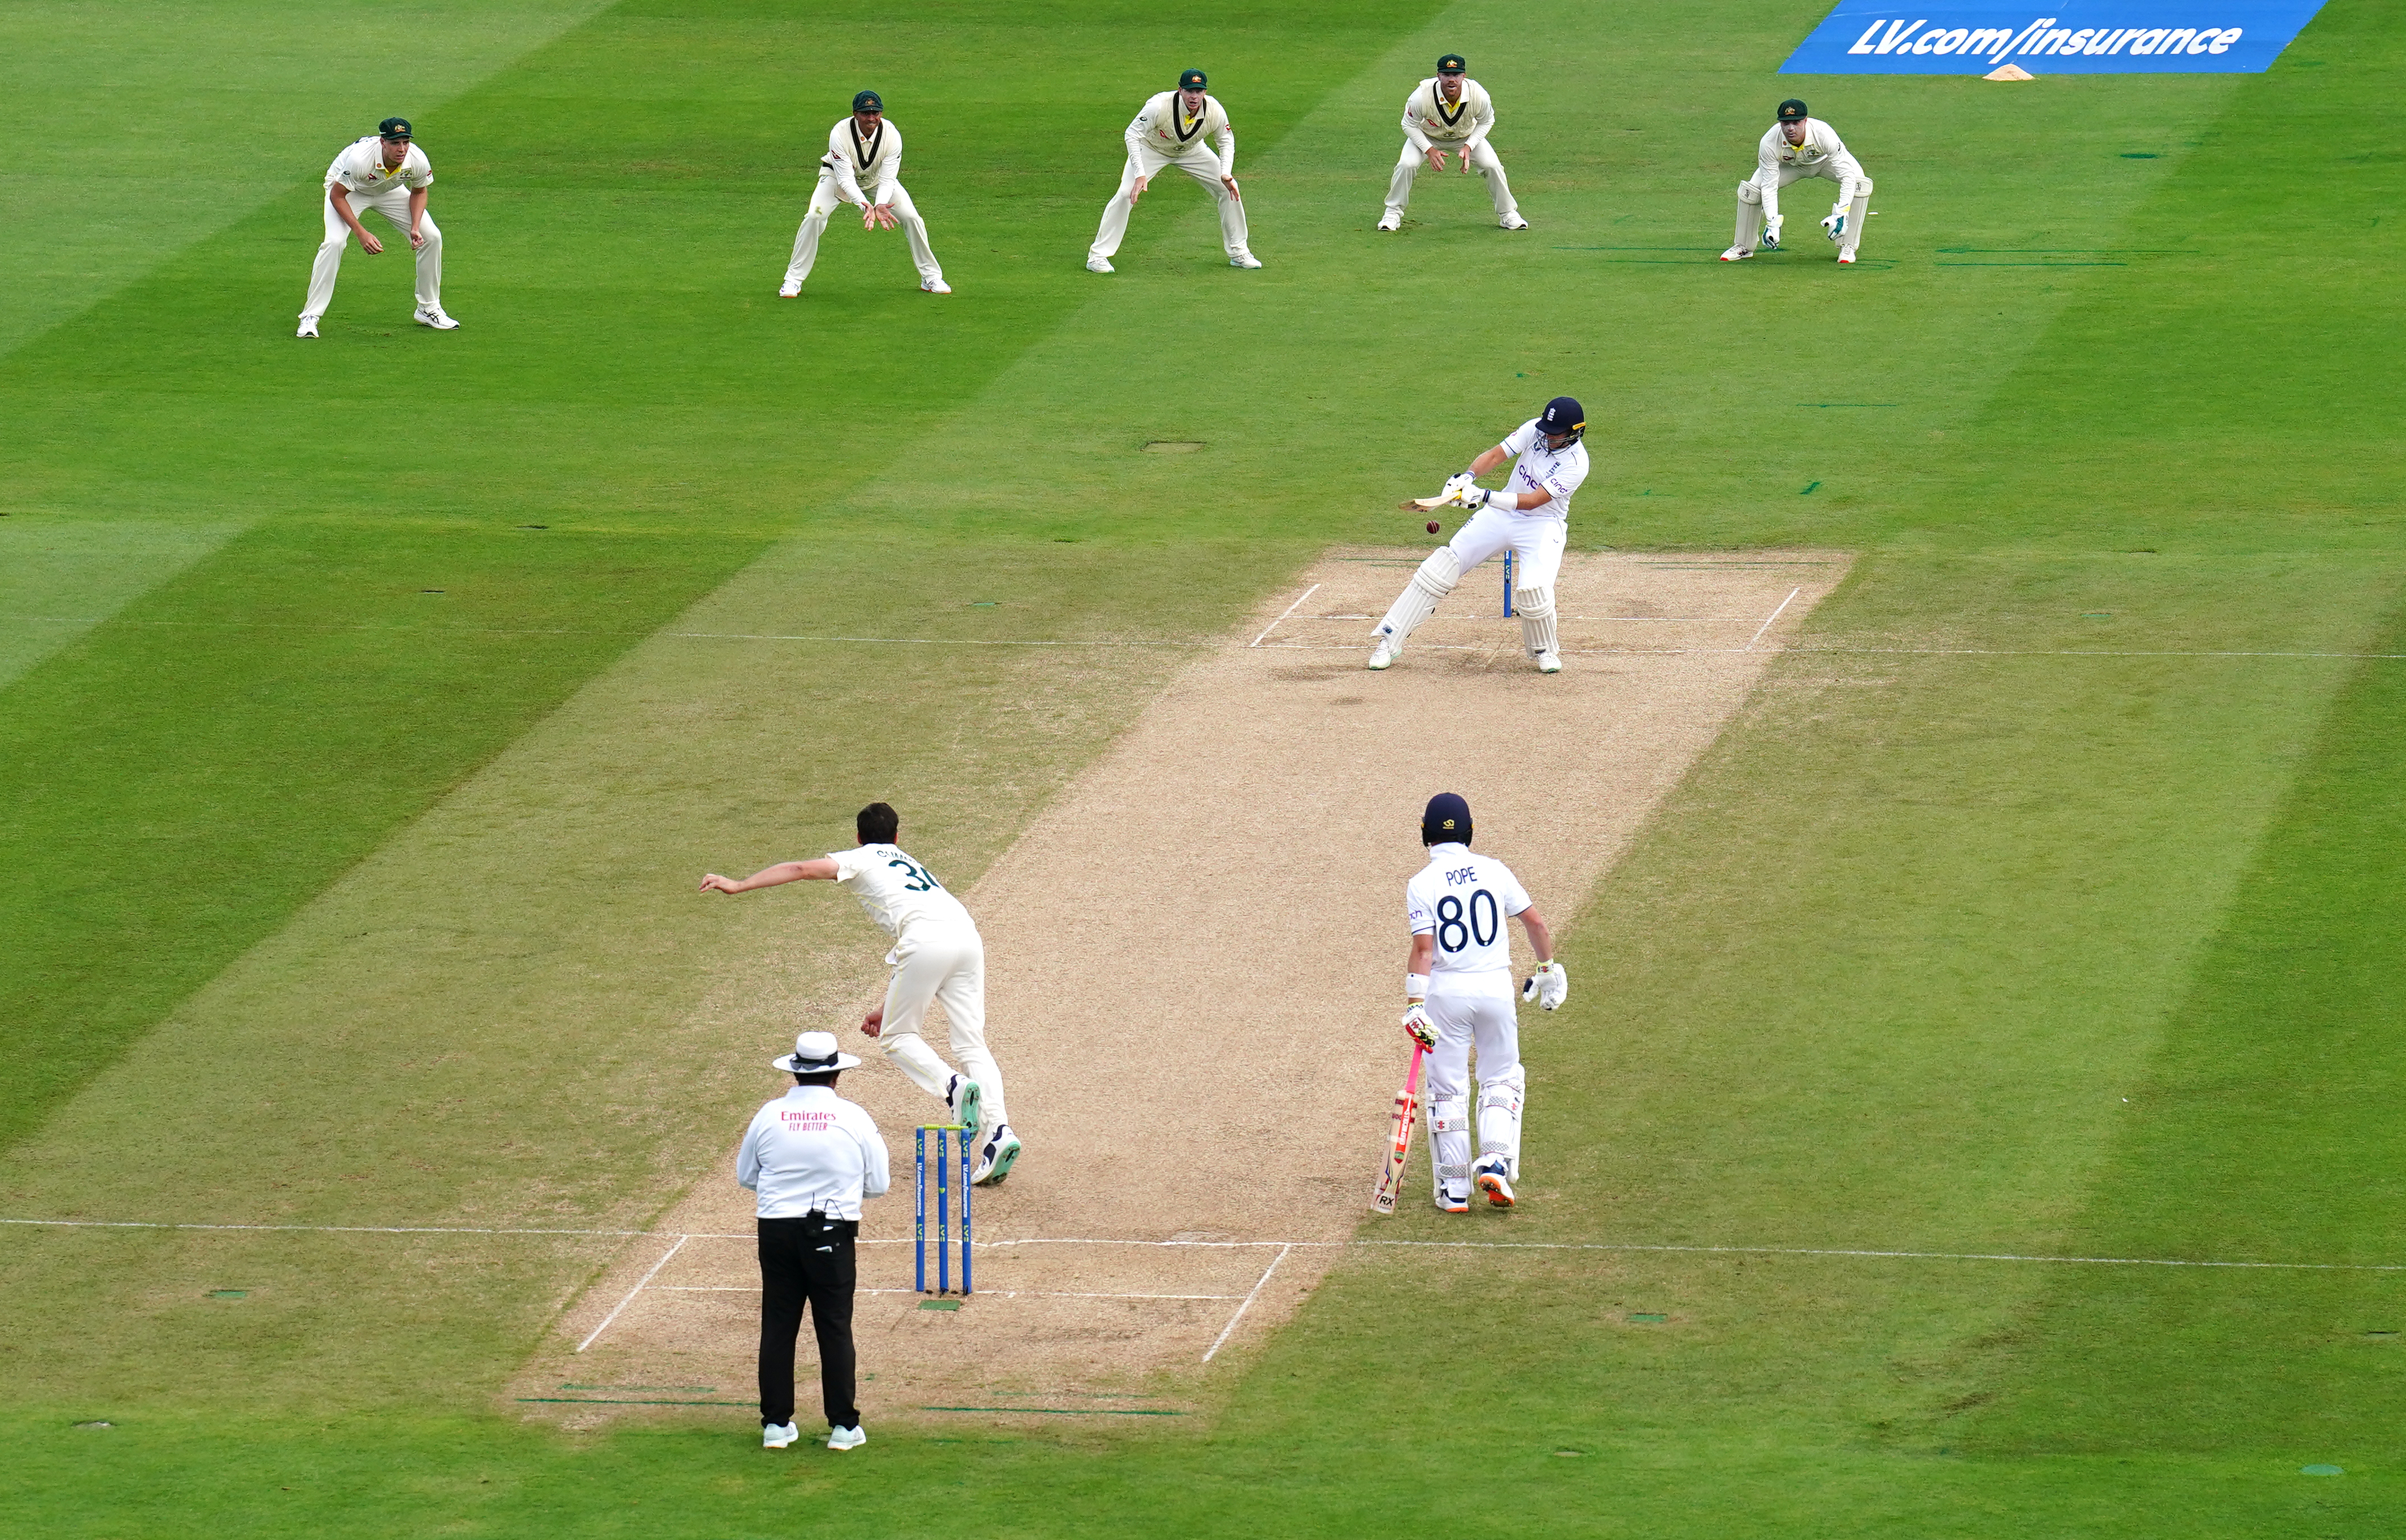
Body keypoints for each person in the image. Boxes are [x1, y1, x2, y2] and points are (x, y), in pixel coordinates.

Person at [701, 802, 1020, 1184]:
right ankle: (999, 1132)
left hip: (923, 943)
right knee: (972, 1044)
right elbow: (924, 958)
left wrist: (738, 885)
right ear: (897, 836)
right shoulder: (912, 863)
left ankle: (953, 1087)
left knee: (898, 1037)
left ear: (858, 837)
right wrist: (886, 1006)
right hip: (967, 938)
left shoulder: (861, 858)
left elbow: (800, 869)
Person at [1400, 794, 1564, 1211]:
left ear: (1426, 835)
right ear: (1469, 830)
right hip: (1494, 989)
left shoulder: (1421, 885)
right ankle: (1494, 1158)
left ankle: (1454, 1190)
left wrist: (1415, 1004)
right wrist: (1546, 968)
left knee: (1447, 1088)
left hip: (1446, 994)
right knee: (1502, 1077)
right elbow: (1536, 923)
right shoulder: (1495, 871)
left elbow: (1423, 948)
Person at [739, 1030, 888, 1451]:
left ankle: (776, 1425)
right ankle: (843, 1426)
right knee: (835, 1326)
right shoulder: (854, 1117)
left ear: (796, 1072)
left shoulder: (769, 1115)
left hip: (776, 1230)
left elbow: (747, 1176)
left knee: (779, 1325)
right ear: (836, 1075)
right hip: (832, 1229)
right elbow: (878, 1184)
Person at [1367, 396, 1589, 675]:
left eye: (1554, 434)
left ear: (1574, 433)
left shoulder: (1577, 464)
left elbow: (1533, 501)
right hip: (1501, 515)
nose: (1545, 437)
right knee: (1440, 568)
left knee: (1534, 593)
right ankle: (1389, 640)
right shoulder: (1536, 429)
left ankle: (1544, 650)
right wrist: (1468, 478)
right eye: (1545, 429)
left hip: (1543, 524)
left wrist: (1484, 496)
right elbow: (1496, 455)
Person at [1087, 68, 1260, 273]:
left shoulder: (1215, 110)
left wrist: (1226, 173)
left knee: (1229, 190)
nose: (1194, 96)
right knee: (1126, 194)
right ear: (1180, 90)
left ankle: (1239, 252)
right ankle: (1097, 257)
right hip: (1152, 149)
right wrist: (1140, 174)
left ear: (1205, 92)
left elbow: (1226, 140)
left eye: (1198, 91)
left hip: (1193, 151)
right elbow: (1132, 134)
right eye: (1189, 91)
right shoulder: (1158, 106)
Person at [780, 90, 950, 297]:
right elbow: (845, 179)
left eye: (876, 113)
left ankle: (931, 277)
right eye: (866, 113)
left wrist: (879, 205)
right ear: (855, 114)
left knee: (913, 218)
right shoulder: (839, 133)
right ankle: (792, 280)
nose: (871, 118)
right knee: (815, 216)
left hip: (877, 180)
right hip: (836, 178)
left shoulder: (892, 135)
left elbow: (888, 179)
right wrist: (864, 205)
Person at [299, 118, 455, 338]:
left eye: (405, 142)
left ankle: (428, 309)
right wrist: (361, 232)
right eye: (395, 143)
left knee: (432, 237)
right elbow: (337, 195)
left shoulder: (417, 159)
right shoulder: (359, 159)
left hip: (388, 190)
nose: (401, 149)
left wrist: (415, 227)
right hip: (348, 190)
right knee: (334, 242)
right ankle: (310, 316)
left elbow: (419, 191)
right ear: (383, 142)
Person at [1378, 55, 1526, 232]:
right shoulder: (1421, 96)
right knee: (1406, 165)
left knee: (1492, 166)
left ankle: (1508, 214)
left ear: (1464, 76)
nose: (1452, 79)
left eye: (1456, 74)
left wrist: (1469, 146)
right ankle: (1392, 214)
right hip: (1428, 136)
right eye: (1447, 75)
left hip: (1465, 137)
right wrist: (1429, 150)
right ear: (1438, 76)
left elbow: (1487, 121)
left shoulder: (1478, 95)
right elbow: (1408, 124)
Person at [1721, 98, 1872, 266]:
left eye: (1796, 122)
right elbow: (1769, 185)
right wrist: (1772, 223)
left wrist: (1842, 213)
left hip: (1824, 163)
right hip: (1790, 166)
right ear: (1780, 124)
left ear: (1805, 121)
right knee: (1752, 191)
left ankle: (1848, 246)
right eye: (1786, 123)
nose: (1791, 128)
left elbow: (1846, 176)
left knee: (1860, 184)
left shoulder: (1823, 133)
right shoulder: (1769, 142)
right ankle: (1743, 246)